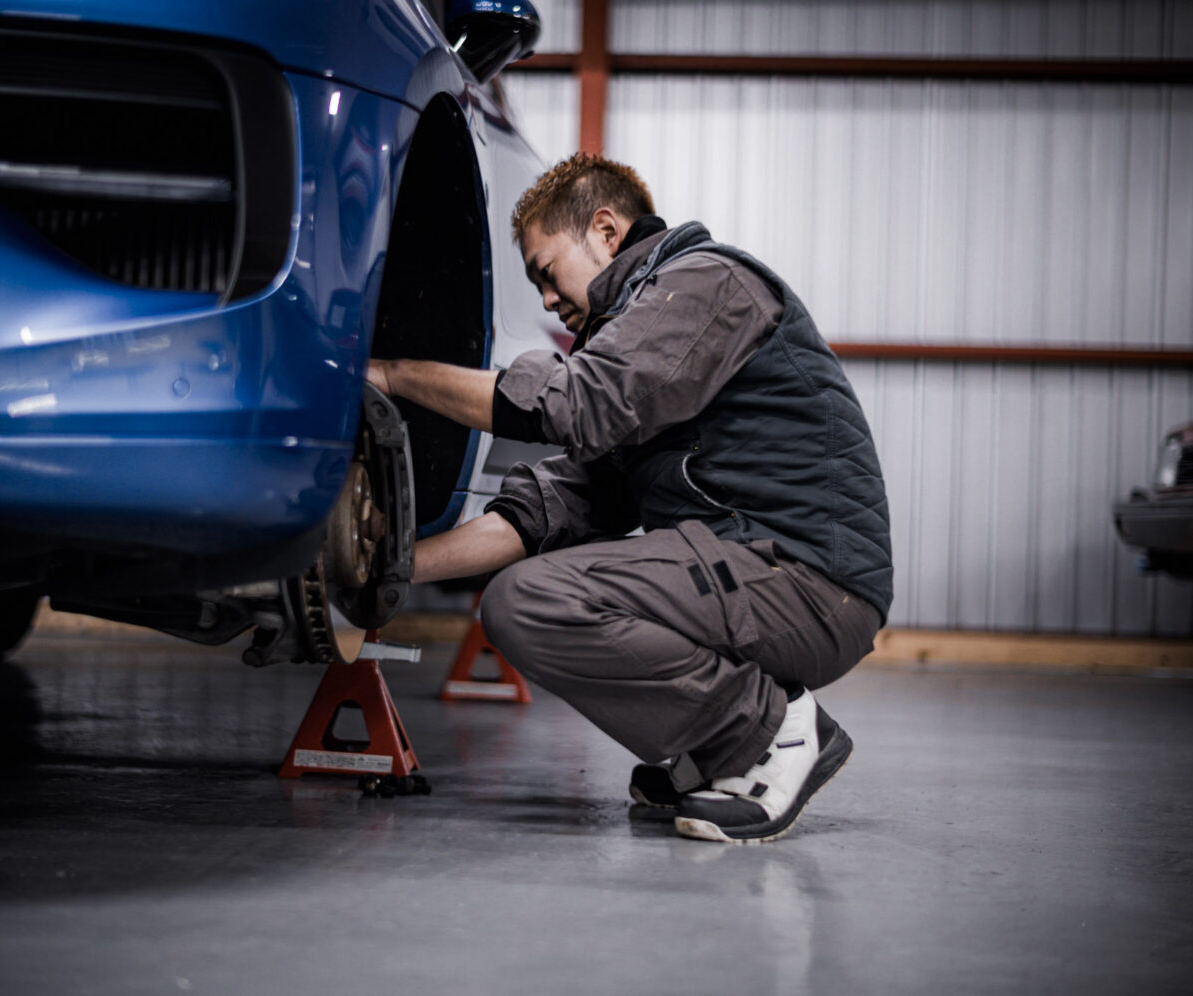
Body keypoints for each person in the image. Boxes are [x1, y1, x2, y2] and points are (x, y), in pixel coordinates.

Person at [367, 153, 891, 844]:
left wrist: (394, 375)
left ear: (606, 230)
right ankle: (722, 746)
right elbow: (549, 509)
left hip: (808, 584)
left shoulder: (706, 283)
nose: (546, 301)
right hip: (764, 575)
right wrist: (393, 562)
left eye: (546, 272)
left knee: (533, 599)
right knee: (521, 596)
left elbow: (574, 402)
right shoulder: (643, 348)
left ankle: (767, 733)